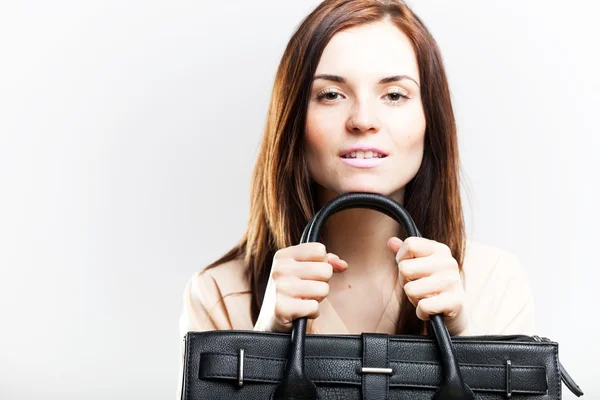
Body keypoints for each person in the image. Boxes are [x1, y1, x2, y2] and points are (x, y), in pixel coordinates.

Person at [177, 0, 536, 397]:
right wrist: (265, 341)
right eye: (331, 94)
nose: (363, 119)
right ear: (294, 120)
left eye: (395, 95)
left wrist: (465, 339)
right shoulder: (218, 294)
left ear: (429, 118)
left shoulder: (493, 281)